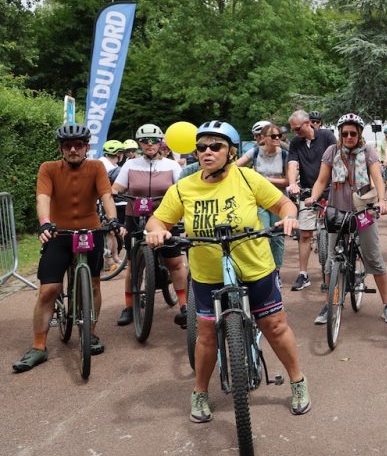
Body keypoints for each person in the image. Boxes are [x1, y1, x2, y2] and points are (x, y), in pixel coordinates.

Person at [145, 120, 310, 420]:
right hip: (208, 273)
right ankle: (199, 392)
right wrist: (156, 231)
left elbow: (284, 204)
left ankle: (298, 381)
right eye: (201, 147)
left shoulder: (248, 179)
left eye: (215, 146)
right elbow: (158, 221)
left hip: (255, 266)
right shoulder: (184, 187)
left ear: (231, 152)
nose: (207, 152)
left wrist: (289, 218)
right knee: (206, 335)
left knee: (274, 325)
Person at [12, 124, 126, 373]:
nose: (73, 149)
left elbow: (106, 195)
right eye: (67, 145)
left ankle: (91, 334)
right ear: (61, 148)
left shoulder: (96, 167)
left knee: (94, 283)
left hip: (91, 233)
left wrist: (113, 219)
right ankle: (38, 347)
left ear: (86, 147)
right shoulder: (48, 168)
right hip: (59, 234)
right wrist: (45, 224)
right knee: (48, 290)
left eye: (78, 145)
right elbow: (43, 198)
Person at [306, 113, 387, 325]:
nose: (348, 137)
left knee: (373, 257)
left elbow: (377, 178)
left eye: (352, 133)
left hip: (364, 211)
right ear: (340, 134)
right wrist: (313, 197)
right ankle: (330, 303)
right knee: (331, 260)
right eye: (345, 133)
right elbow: (321, 180)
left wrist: (382, 200)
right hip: (337, 210)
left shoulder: (368, 151)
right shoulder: (332, 151)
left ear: (359, 135)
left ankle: (386, 305)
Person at [112, 123, 188, 328]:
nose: (150, 144)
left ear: (160, 142)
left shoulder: (171, 165)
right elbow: (117, 186)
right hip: (135, 217)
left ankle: (184, 305)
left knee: (175, 263)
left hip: (165, 218)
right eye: (145, 141)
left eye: (154, 140)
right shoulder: (130, 165)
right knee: (133, 265)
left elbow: (182, 188)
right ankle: (128, 306)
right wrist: (115, 191)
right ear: (139, 144)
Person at [286, 109, 338, 291]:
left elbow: (338, 160)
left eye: (297, 129)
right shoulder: (295, 143)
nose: (295, 133)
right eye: (293, 130)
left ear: (308, 123)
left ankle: (331, 274)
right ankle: (303, 274)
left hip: (332, 190)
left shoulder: (327, 136)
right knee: (305, 234)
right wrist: (292, 183)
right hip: (308, 192)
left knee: (335, 232)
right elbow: (292, 163)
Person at [237, 122, 289, 271]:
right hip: (259, 200)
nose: (277, 138)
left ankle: (277, 270)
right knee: (262, 234)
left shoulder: (284, 154)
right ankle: (265, 269)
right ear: (264, 138)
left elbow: (287, 181)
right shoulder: (254, 152)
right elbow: (235, 167)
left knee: (277, 237)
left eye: (279, 135)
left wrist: (265, 180)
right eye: (273, 136)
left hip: (278, 200)